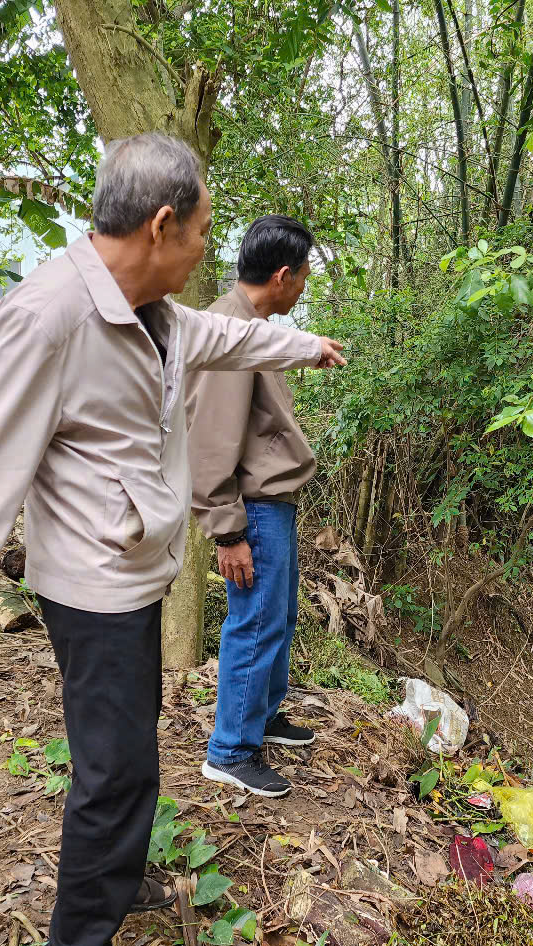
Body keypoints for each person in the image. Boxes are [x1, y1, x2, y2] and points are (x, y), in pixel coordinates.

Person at [0, 133, 345, 946]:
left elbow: (232, 340)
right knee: (114, 774)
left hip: (137, 574)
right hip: (92, 586)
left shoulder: (155, 312)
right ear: (162, 224)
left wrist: (302, 346)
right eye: (204, 233)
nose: (208, 250)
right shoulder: (49, 315)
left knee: (130, 749)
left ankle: (114, 870)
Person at [183, 215, 319, 798]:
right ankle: (231, 749)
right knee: (255, 624)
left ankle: (261, 717)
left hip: (273, 501)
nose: (307, 285)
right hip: (252, 508)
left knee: (278, 619)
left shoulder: (252, 326)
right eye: (306, 274)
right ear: (283, 275)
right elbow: (211, 436)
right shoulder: (227, 329)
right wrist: (225, 528)